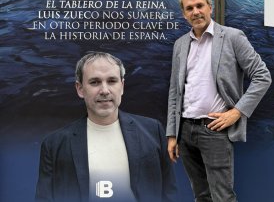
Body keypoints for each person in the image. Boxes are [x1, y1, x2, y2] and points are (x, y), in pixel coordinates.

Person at [166, 0, 272, 201]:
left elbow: (262, 76)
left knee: (222, 197)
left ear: (210, 8)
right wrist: (172, 134)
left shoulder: (232, 37)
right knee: (202, 196)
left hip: (214, 130)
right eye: (190, 8)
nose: (196, 12)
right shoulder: (180, 45)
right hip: (185, 131)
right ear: (184, 14)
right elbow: (175, 91)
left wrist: (237, 112)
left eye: (200, 6)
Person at [35, 52, 176, 202]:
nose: (104, 90)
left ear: (122, 86)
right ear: (80, 89)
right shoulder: (54, 144)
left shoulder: (153, 131)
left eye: (112, 81)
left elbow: (170, 193)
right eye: (95, 82)